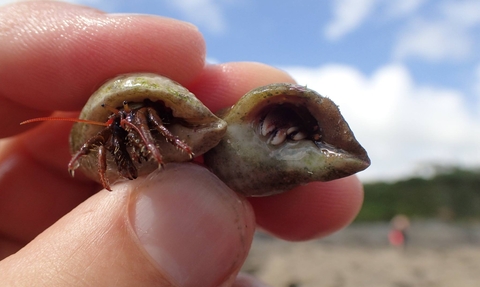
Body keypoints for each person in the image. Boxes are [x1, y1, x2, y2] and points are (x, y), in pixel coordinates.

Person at [0, 2, 365, 286]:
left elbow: (177, 123)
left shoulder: (199, 124)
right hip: (151, 133)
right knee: (124, 121)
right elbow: (114, 131)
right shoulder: (117, 122)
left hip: (164, 126)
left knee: (135, 119)